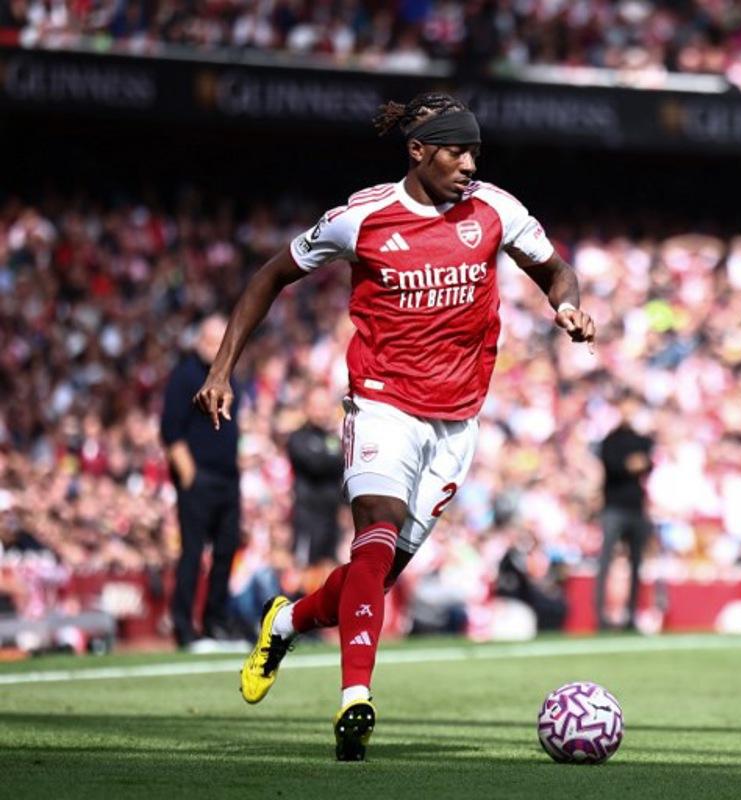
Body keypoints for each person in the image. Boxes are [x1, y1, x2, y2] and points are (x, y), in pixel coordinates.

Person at [192, 91, 596, 761]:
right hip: (382, 405)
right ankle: (356, 699)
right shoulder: (363, 217)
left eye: (475, 152)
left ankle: (287, 621)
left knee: (371, 580)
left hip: (456, 424)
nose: (469, 164)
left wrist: (569, 307)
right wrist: (220, 369)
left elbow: (554, 268)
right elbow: (270, 276)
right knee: (374, 534)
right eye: (456, 151)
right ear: (418, 151)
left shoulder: (495, 211)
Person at [160, 315, 242, 650]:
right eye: (211, 340)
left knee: (226, 551)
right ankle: (184, 627)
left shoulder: (228, 375)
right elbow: (171, 430)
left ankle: (215, 622)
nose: (216, 347)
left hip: (227, 477)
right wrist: (188, 475)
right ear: (199, 341)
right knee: (192, 553)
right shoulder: (185, 376)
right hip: (199, 478)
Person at [595, 391, 654, 631]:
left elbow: (646, 464)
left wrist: (634, 464)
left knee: (636, 563)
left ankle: (630, 616)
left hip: (635, 508)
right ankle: (601, 617)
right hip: (614, 508)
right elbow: (616, 466)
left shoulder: (642, 440)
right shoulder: (611, 440)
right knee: (606, 562)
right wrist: (633, 464)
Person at [286, 387, 346, 568]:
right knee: (303, 572)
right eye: (317, 406)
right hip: (307, 518)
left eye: (325, 406)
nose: (322, 412)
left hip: (331, 518)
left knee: (328, 573)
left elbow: (344, 464)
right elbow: (315, 464)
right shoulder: (298, 438)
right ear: (307, 408)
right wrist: (334, 459)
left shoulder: (333, 439)